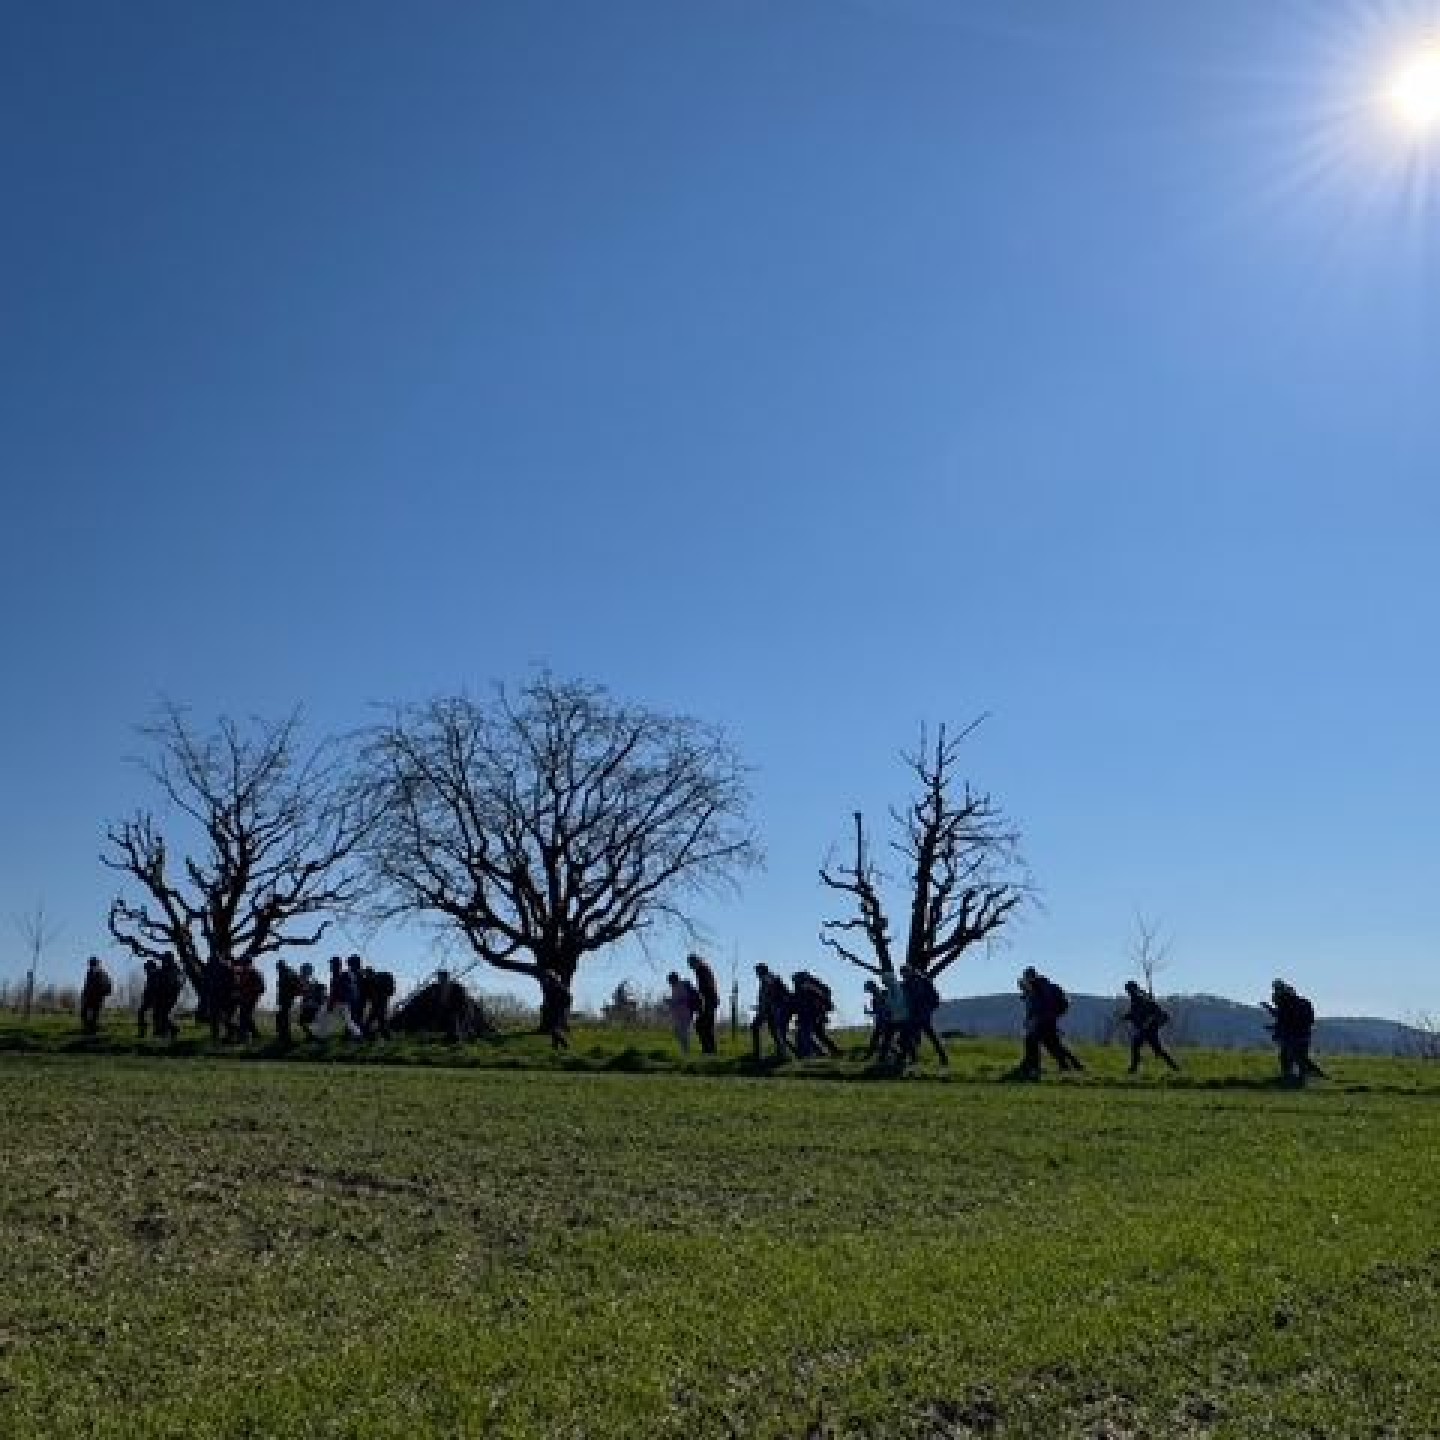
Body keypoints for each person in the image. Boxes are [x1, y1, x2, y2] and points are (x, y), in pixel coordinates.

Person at [1018, 966, 1083, 1078]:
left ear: (1030, 977)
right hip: (1047, 1020)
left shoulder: (1038, 987)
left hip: (1044, 1020)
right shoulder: (1041, 986)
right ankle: (1072, 1065)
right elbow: (1035, 1004)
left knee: (1032, 1042)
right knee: (1053, 1045)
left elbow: (1038, 1005)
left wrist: (1034, 1019)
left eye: (1026, 978)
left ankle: (1033, 1068)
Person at [1265, 979, 1325, 1085]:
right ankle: (1305, 1078)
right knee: (1300, 1058)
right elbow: (1286, 1017)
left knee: (1291, 1057)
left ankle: (1294, 1078)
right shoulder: (1301, 1002)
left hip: (1293, 1036)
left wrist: (1273, 1020)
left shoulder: (1286, 1003)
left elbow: (1284, 1018)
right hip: (1304, 1034)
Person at [1120, 980, 1179, 1074]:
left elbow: (1153, 1012)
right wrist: (1126, 1017)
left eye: (1128, 990)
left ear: (1132, 990)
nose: (1128, 992)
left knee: (1147, 1048)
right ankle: (1175, 1068)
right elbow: (1135, 1014)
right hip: (1146, 1029)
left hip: (1149, 1029)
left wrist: (1147, 1022)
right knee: (1142, 1046)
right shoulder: (1136, 999)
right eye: (1127, 990)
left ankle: (1175, 1068)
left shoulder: (1141, 999)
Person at [901, 963, 949, 1067]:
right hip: (915, 1014)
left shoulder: (922, 981)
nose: (903, 975)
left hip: (921, 1014)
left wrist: (928, 1010)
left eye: (904, 973)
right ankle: (941, 1058)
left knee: (917, 1037)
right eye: (902, 974)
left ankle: (915, 1060)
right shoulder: (907, 984)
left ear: (910, 971)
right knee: (909, 1037)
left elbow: (935, 998)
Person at [791, 970, 841, 1058]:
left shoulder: (811, 986)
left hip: (813, 1014)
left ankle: (816, 1053)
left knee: (805, 1034)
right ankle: (831, 1051)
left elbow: (822, 996)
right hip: (809, 1014)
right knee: (817, 1034)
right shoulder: (804, 988)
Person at [749, 964, 792, 1060]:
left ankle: (758, 1054)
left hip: (771, 1009)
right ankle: (782, 1053)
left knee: (755, 1027)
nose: (756, 974)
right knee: (775, 1031)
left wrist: (763, 1009)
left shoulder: (767, 979)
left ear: (761, 971)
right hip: (772, 1009)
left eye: (757, 971)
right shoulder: (771, 978)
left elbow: (768, 996)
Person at [687, 953, 721, 1055]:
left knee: (703, 1025)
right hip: (709, 1000)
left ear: (696, 962)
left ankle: (709, 1050)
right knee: (704, 1026)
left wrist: (703, 1002)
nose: (690, 967)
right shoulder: (702, 970)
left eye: (691, 964)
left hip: (708, 1001)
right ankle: (709, 1050)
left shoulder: (702, 971)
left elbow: (707, 988)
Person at [538, 967, 572, 1050]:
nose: (545, 979)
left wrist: (562, 1006)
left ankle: (565, 1044)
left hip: (557, 1010)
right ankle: (555, 1047)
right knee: (553, 1029)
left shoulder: (556, 986)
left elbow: (567, 998)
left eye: (547, 977)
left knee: (554, 1029)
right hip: (554, 1010)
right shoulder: (552, 986)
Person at [203, 955, 236, 1042]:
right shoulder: (224, 967)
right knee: (217, 1017)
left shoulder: (224, 968)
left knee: (220, 1017)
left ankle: (225, 1034)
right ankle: (218, 1035)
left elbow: (232, 981)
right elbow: (207, 982)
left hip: (223, 995)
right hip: (218, 995)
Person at [666, 970, 699, 1055]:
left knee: (683, 1033)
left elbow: (685, 999)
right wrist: (671, 1002)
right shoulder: (675, 987)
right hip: (679, 1014)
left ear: (673, 979)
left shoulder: (681, 986)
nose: (669, 983)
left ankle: (686, 1052)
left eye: (670, 981)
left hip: (685, 1013)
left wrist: (673, 1002)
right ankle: (685, 1051)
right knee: (678, 1032)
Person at [151, 954, 184, 1040]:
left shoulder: (174, 970)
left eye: (165, 960)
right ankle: (165, 1031)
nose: (163, 962)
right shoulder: (165, 970)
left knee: (163, 1014)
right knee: (159, 1014)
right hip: (162, 995)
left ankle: (169, 1031)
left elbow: (176, 984)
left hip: (169, 996)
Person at [232, 960, 265, 1042]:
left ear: (250, 964)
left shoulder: (255, 973)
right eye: (243, 964)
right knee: (246, 1016)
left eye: (245, 964)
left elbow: (261, 988)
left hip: (251, 998)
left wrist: (251, 992)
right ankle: (255, 1034)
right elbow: (240, 985)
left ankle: (244, 1037)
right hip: (244, 998)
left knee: (243, 1016)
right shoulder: (243, 973)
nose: (243, 966)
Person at [360, 965, 396, 1040]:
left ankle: (383, 1037)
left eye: (366, 974)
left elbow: (367, 995)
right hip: (378, 1003)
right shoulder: (370, 981)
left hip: (379, 1003)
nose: (366, 976)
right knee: (379, 1020)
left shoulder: (375, 980)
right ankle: (385, 1036)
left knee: (377, 1020)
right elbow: (366, 995)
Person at [79, 956, 112, 1035]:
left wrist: (103, 994)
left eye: (93, 964)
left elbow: (108, 985)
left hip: (97, 998)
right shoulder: (89, 973)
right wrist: (84, 994)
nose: (91, 966)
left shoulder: (102, 974)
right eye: (90, 964)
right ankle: (89, 1028)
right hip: (89, 997)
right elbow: (87, 985)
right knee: (83, 1013)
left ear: (97, 964)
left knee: (95, 1015)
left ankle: (93, 1030)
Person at [863, 979, 894, 1060]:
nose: (869, 992)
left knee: (884, 1040)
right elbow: (877, 1012)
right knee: (878, 1039)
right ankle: (873, 1055)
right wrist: (869, 1012)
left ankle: (881, 1056)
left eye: (869, 989)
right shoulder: (875, 998)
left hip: (886, 1021)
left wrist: (869, 1012)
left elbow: (888, 1007)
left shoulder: (883, 994)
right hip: (881, 1021)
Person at [275, 958, 303, 1045]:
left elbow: (288, 987)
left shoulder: (287, 973)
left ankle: (284, 1036)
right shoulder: (287, 972)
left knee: (283, 1016)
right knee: (282, 1016)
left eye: (278, 967)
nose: (277, 970)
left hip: (287, 998)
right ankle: (283, 1035)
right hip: (285, 998)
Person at [136, 959, 159, 1038]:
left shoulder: (155, 974)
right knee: (142, 1013)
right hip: (150, 998)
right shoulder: (152, 974)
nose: (145, 970)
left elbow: (154, 987)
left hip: (155, 998)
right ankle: (143, 1032)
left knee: (156, 1016)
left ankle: (149, 1032)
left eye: (146, 967)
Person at [345, 955, 367, 1029]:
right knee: (355, 1017)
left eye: (350, 963)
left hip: (357, 999)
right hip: (355, 999)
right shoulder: (361, 974)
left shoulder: (360, 974)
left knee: (355, 1017)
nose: (349, 965)